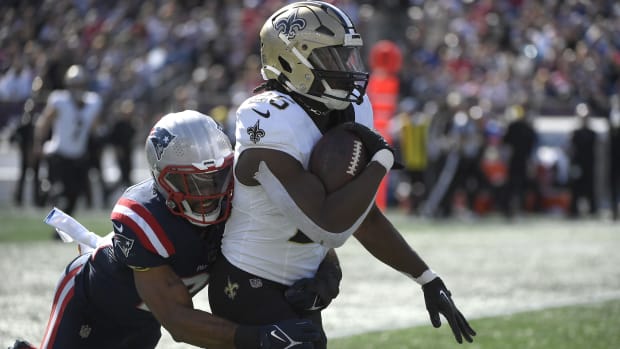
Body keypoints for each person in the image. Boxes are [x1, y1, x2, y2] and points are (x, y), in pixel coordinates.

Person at [208, 1, 476, 347]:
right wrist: (380, 161)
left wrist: (426, 277)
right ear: (291, 61)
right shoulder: (268, 117)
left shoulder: (351, 108)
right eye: (331, 57)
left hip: (304, 286)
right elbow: (327, 225)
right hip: (247, 283)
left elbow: (363, 216)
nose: (346, 67)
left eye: (347, 56)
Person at [13, 111, 333, 349]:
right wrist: (260, 338)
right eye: (194, 181)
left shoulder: (242, 199)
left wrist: (327, 278)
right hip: (89, 305)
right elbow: (179, 322)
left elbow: (306, 239)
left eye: (218, 177)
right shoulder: (143, 216)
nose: (210, 192)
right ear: (163, 181)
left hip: (144, 323)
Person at [32, 64, 102, 217]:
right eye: (73, 85)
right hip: (59, 154)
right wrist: (38, 143)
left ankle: (62, 227)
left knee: (74, 196)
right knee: (60, 193)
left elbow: (95, 129)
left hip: (78, 156)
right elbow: (44, 122)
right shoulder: (59, 100)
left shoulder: (93, 102)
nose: (76, 88)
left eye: (79, 84)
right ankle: (49, 198)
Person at [568, 103, 598, 218]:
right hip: (577, 164)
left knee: (590, 188)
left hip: (589, 164)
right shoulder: (575, 133)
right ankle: (574, 210)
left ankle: (592, 209)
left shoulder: (592, 133)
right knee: (576, 188)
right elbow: (571, 149)